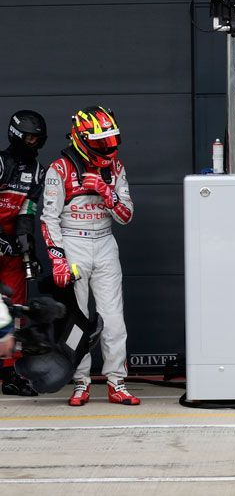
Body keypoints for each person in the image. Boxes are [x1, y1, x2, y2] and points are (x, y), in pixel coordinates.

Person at [41, 106, 139, 406]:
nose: (108, 149)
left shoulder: (116, 168)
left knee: (113, 320)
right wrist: (58, 258)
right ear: (81, 139)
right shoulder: (59, 168)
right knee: (78, 320)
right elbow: (48, 219)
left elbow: (126, 215)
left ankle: (116, 382)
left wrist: (107, 194)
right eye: (100, 143)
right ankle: (80, 383)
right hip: (73, 244)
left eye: (111, 141)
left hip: (106, 243)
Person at [0, 110, 47, 396]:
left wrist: (28, 249)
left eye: (37, 139)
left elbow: (27, 211)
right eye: (29, 137)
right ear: (16, 135)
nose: (34, 143)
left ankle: (11, 376)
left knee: (16, 309)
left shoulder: (37, 171)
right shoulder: (1, 163)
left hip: (12, 249)